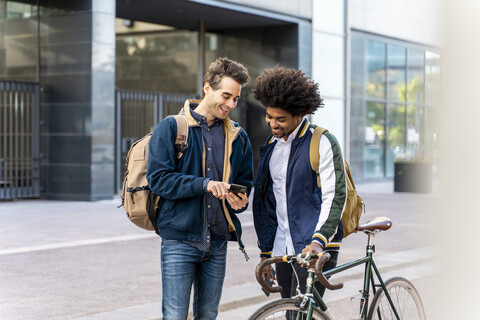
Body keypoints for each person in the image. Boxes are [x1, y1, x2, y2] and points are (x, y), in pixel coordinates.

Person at [147, 57, 254, 320]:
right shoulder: (172, 127)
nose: (231, 104)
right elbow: (159, 179)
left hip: (217, 242)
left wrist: (239, 200)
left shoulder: (238, 137)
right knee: (174, 316)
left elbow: (244, 182)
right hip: (179, 241)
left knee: (208, 315)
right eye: (226, 96)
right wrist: (204, 184)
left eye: (236, 99)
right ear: (207, 88)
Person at [252, 66, 347, 301]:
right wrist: (266, 253)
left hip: (314, 246)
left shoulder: (322, 141)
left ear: (299, 115)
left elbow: (335, 196)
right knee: (289, 310)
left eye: (280, 119)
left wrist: (319, 241)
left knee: (304, 312)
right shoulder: (271, 146)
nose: (273, 124)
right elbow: (266, 202)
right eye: (269, 116)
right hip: (282, 247)